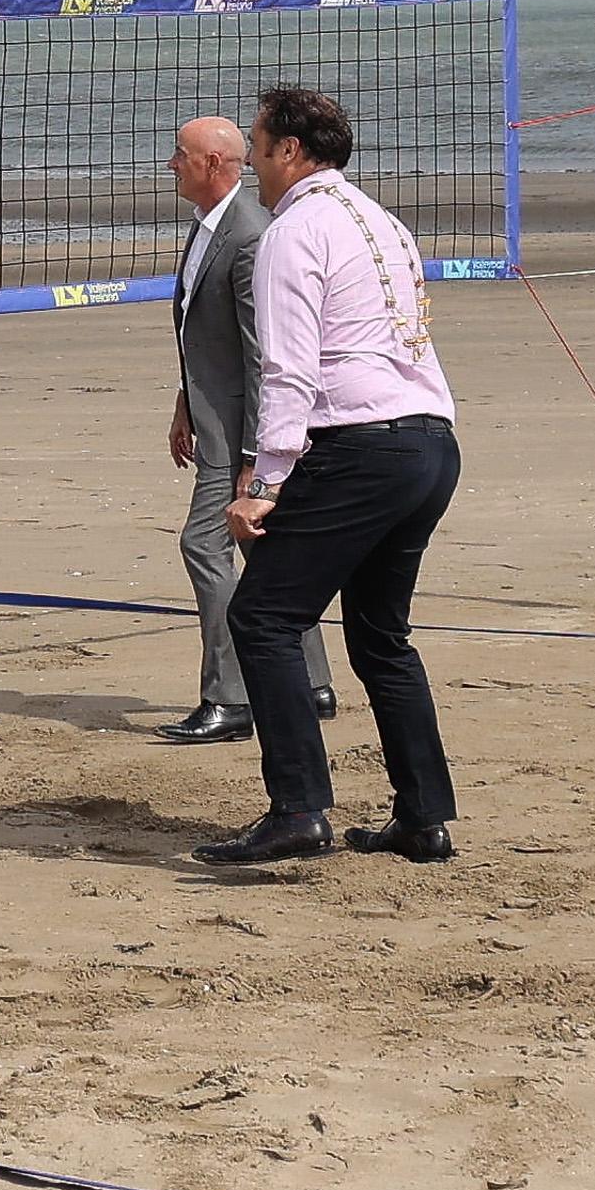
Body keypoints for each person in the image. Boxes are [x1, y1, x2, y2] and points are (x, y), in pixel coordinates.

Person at [195, 86, 465, 869]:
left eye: (257, 145)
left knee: (264, 619)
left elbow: (287, 369)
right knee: (382, 640)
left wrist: (264, 481)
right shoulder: (383, 220)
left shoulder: (294, 232)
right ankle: (422, 818)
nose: (251, 163)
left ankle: (298, 810)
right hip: (429, 442)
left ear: (288, 151)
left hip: (359, 445)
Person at [156, 115, 333, 744]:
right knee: (268, 550)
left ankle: (230, 697)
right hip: (214, 416)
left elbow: (267, 355)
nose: (170, 164)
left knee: (204, 547)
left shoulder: (250, 235)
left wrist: (257, 458)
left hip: (243, 433)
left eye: (179, 154)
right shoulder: (209, 227)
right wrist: (185, 399)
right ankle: (311, 682)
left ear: (213, 163)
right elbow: (205, 334)